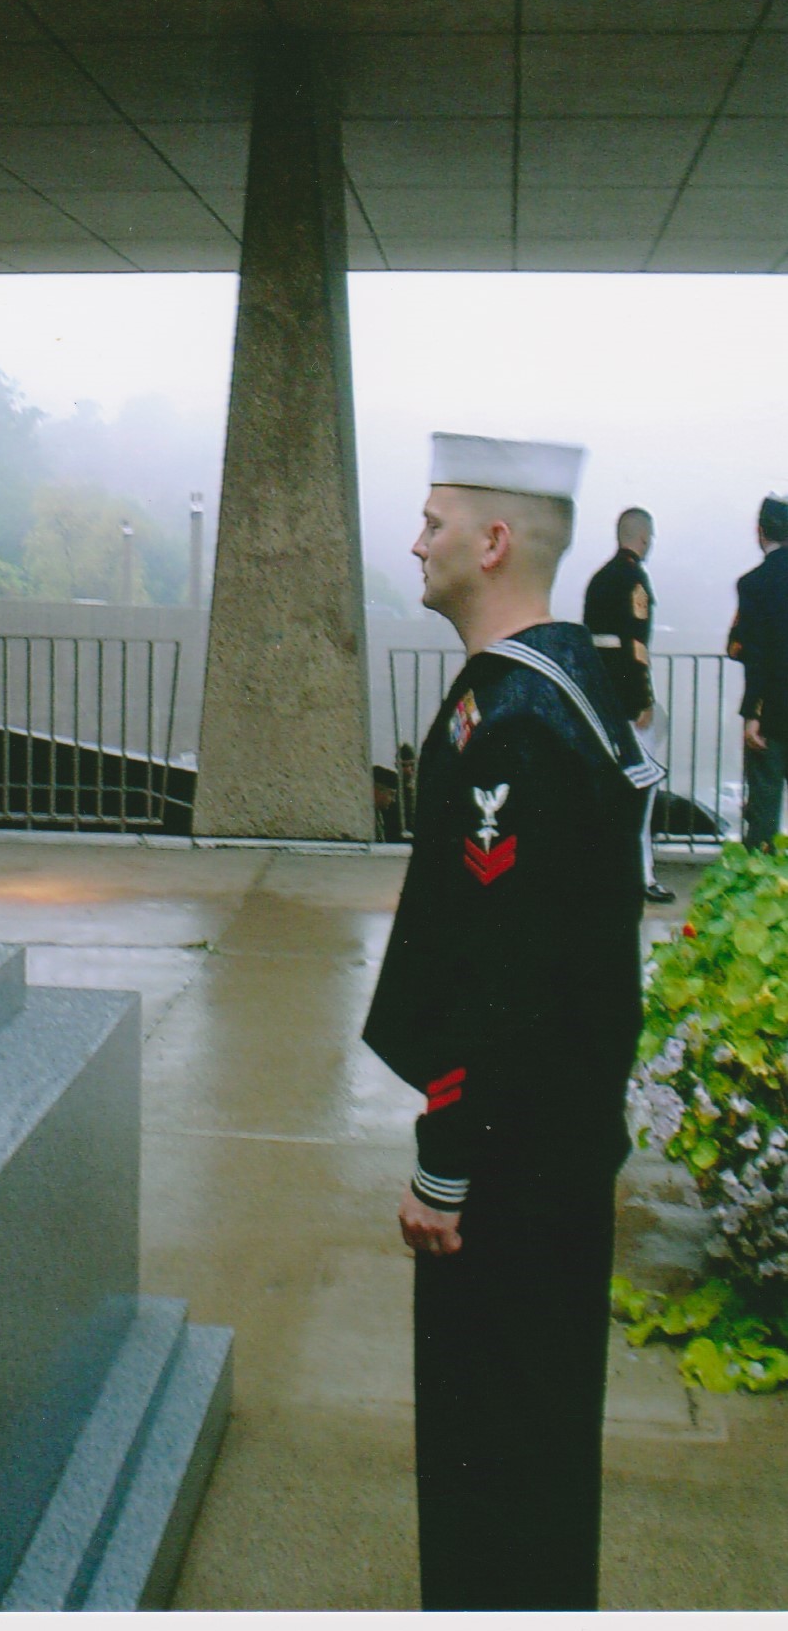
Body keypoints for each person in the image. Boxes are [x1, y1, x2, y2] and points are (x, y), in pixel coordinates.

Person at [362, 432, 659, 1612]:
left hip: (509, 1169)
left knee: (490, 1461)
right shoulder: (565, 681)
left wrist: (441, 1168)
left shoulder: (512, 722)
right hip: (555, 1150)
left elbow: (496, 973)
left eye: (432, 520)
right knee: (535, 1449)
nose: (415, 541)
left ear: (491, 542)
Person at [582, 507, 674, 903]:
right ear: (644, 538)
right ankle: (642, 876)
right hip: (626, 699)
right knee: (642, 788)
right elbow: (636, 644)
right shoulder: (635, 579)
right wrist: (643, 699)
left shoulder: (598, 579)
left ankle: (602, 872)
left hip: (597, 696)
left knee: (605, 788)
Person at [727, 493, 788, 850]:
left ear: (760, 531)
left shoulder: (753, 584)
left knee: (764, 808)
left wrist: (753, 712)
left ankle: (760, 873)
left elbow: (748, 653)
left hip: (773, 712)